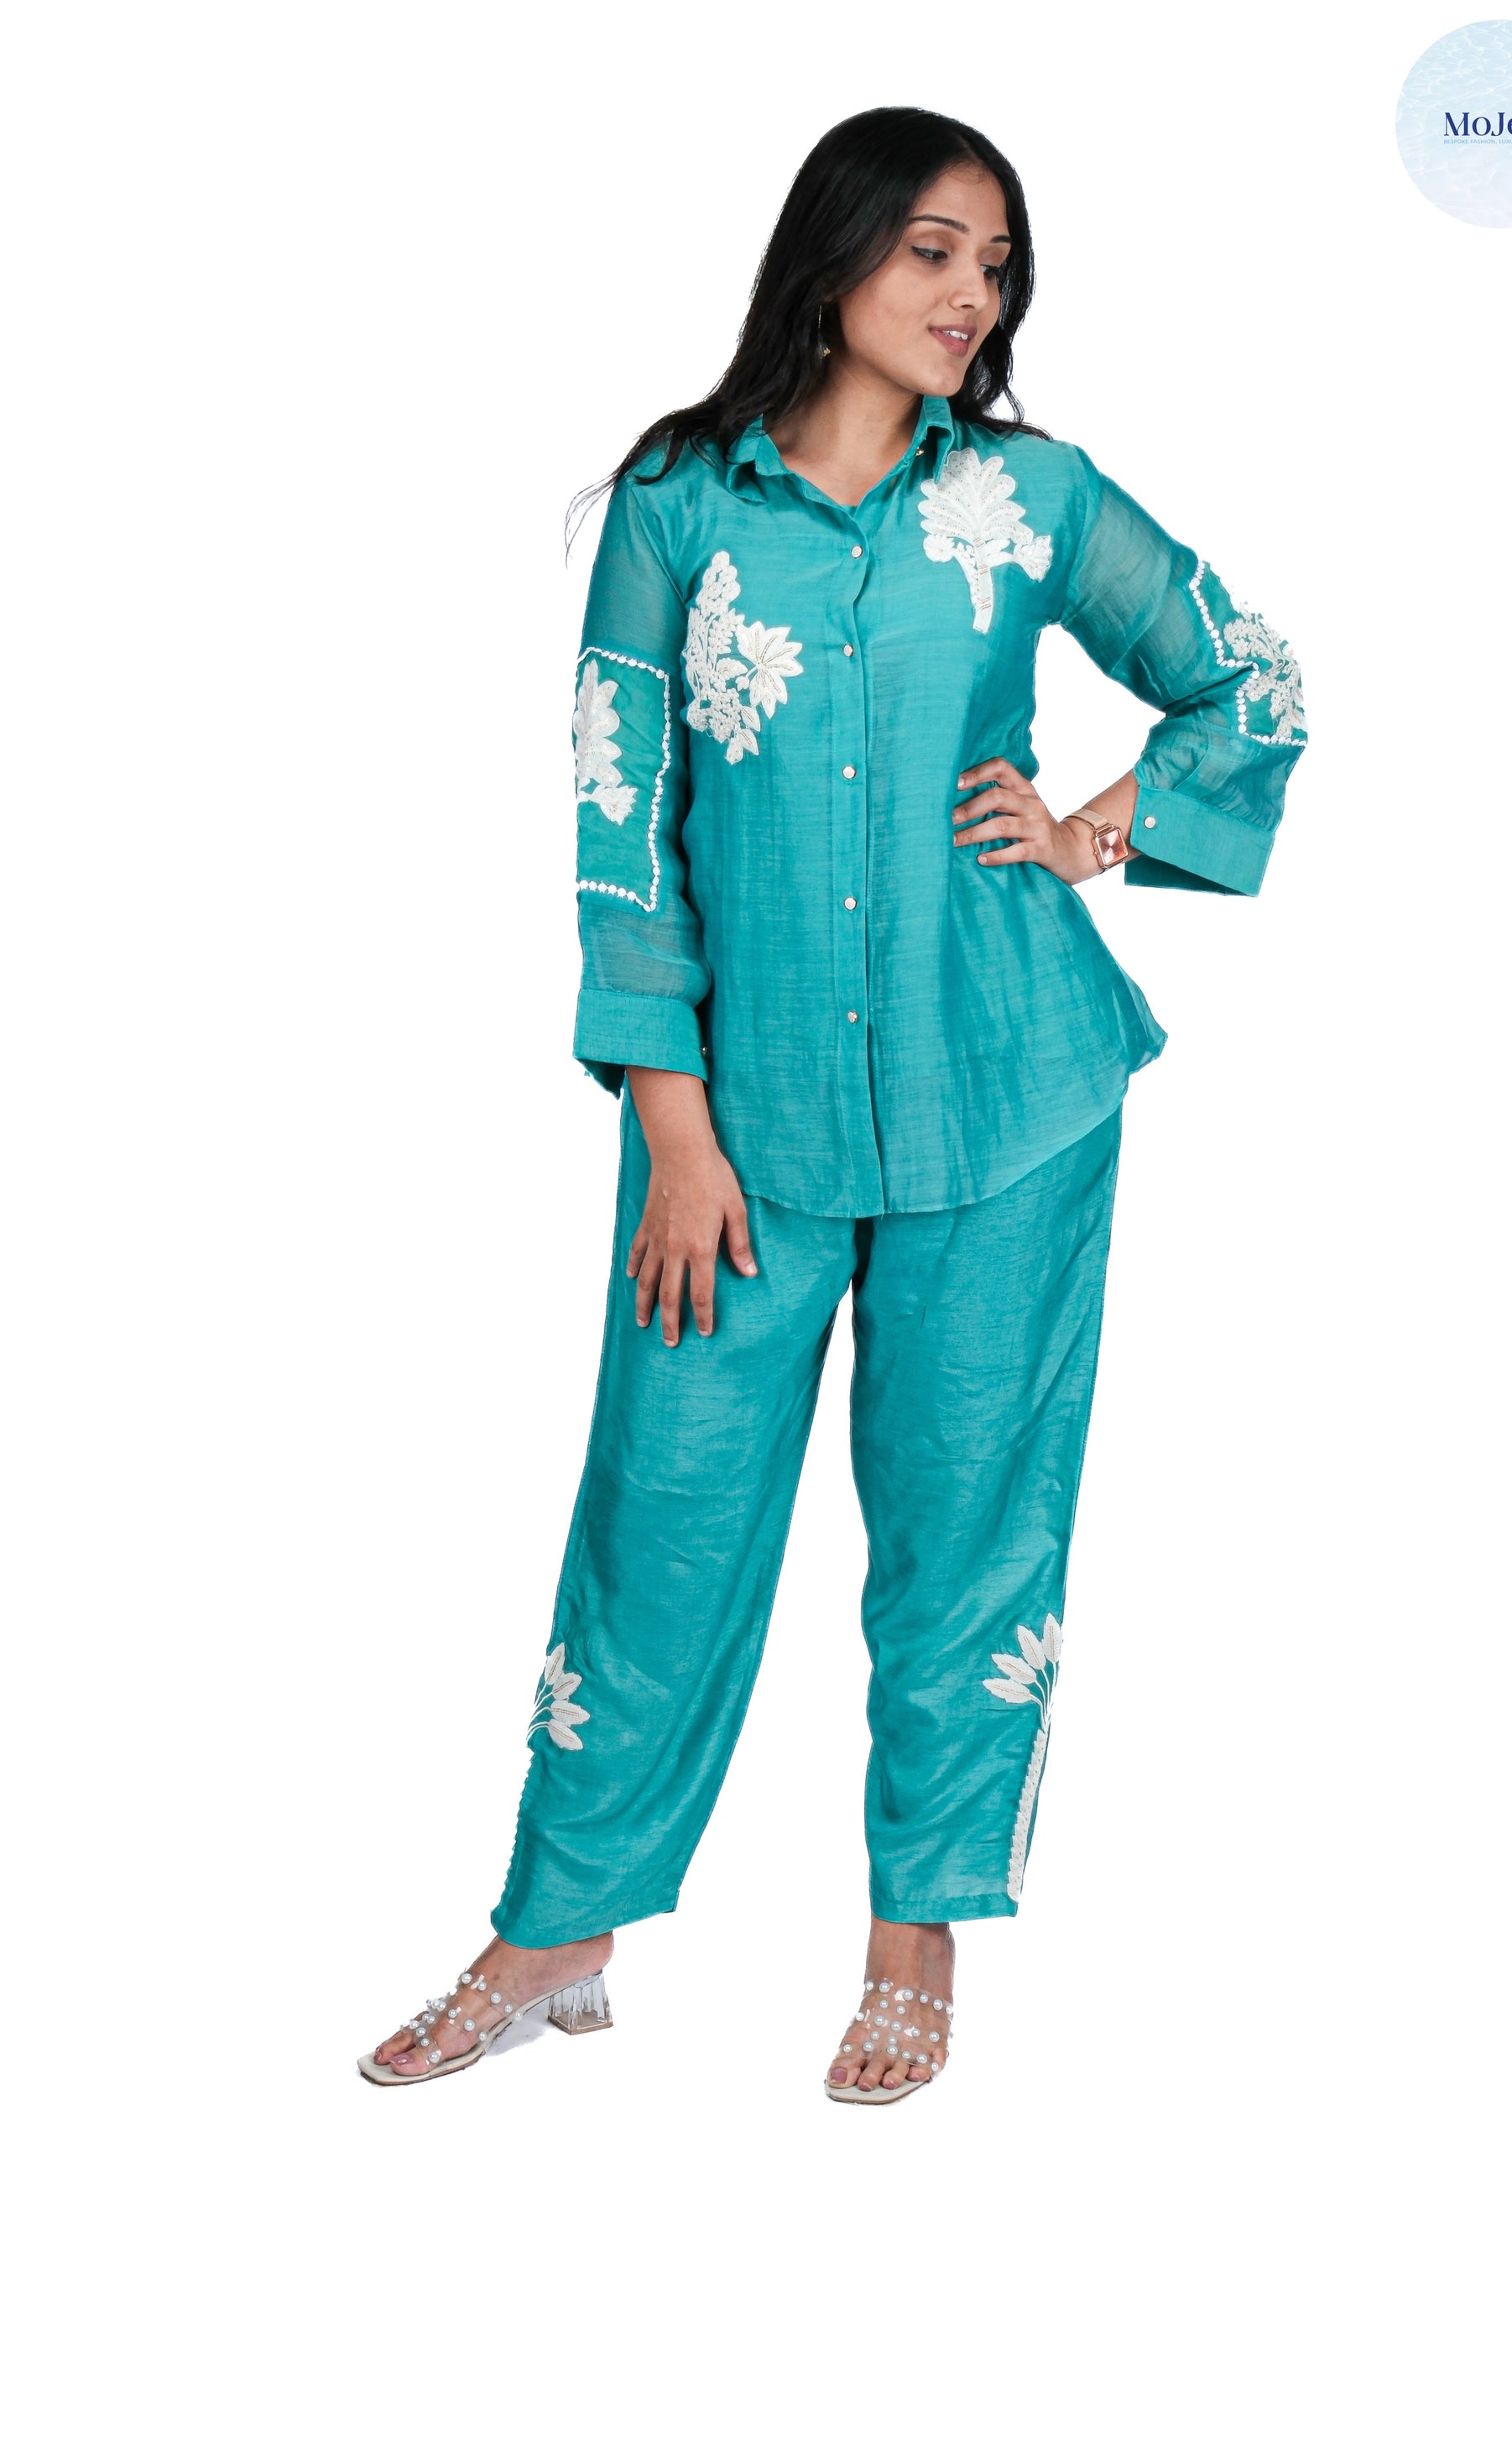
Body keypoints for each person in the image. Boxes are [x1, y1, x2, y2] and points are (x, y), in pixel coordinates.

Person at [362, 104, 1305, 2099]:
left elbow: (1254, 679)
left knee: (967, 1529)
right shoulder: (676, 505)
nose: (972, 295)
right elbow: (621, 818)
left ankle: (913, 1935)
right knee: (663, 1512)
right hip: (736, 1131)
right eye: (935, 251)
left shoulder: (1033, 497)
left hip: (1012, 1091)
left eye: (998, 266)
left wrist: (1095, 827)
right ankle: (555, 1928)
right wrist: (669, 1127)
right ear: (837, 250)